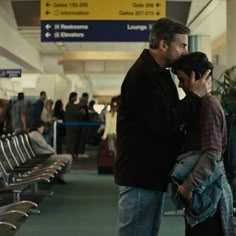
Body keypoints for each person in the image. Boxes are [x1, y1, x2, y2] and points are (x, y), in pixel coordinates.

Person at [115, 17, 212, 236]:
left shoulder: (159, 74)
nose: (186, 52)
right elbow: (166, 121)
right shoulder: (143, 77)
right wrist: (195, 96)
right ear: (164, 44)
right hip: (141, 174)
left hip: (152, 173)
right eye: (182, 45)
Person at [171, 52, 235, 236]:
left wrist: (187, 187)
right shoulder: (200, 105)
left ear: (196, 77)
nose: (180, 84)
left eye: (182, 79)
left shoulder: (208, 106)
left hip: (208, 192)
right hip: (203, 190)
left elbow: (212, 154)